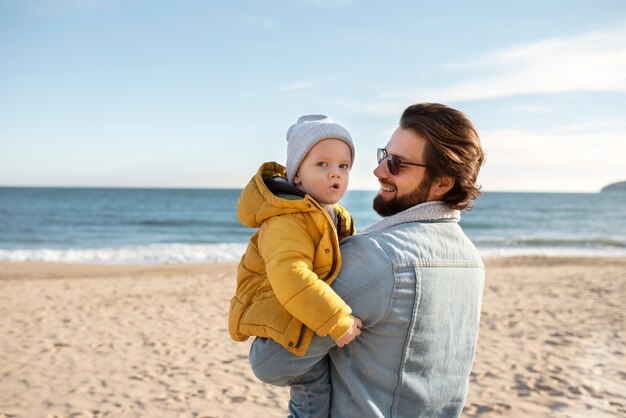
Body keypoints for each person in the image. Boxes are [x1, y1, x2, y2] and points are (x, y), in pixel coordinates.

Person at [250, 103, 486, 418]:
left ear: (443, 182)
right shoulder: (472, 261)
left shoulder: (377, 257)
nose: (379, 170)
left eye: (398, 163)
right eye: (384, 156)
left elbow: (270, 363)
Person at [228, 115, 363, 415]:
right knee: (311, 395)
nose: (335, 174)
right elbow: (292, 275)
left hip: (302, 310)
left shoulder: (336, 214)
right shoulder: (287, 219)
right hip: (278, 320)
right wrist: (338, 320)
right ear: (297, 175)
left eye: (343, 166)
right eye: (322, 164)